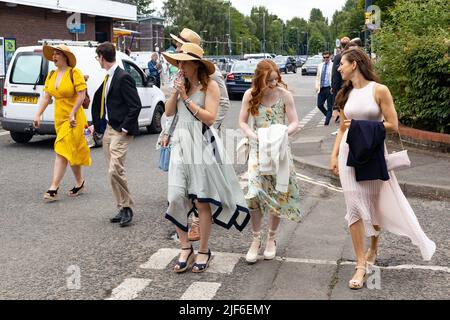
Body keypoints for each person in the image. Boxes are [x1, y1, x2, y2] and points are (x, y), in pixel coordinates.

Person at [330, 47, 436, 289]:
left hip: (372, 154)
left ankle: (373, 249)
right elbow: (344, 128)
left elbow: (392, 124)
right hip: (349, 154)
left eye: (342, 64)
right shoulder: (345, 93)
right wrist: (334, 154)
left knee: (374, 206)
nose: (339, 68)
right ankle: (360, 265)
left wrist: (360, 125)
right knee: (354, 205)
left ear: (354, 64)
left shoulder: (379, 90)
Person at [162, 42, 250, 273]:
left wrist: (187, 98)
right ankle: (185, 247)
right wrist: (175, 93)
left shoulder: (209, 86)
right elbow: (169, 112)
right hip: (181, 144)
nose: (179, 66)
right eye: (178, 61)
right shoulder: (181, 84)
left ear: (195, 64)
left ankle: (203, 250)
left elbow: (210, 118)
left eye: (182, 61)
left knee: (202, 200)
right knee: (175, 196)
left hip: (201, 144)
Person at [161, 28, 231, 242]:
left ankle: (198, 226)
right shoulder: (181, 77)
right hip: (181, 138)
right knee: (178, 191)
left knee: (201, 192)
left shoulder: (213, 77)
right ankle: (189, 227)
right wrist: (167, 131)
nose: (176, 48)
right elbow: (171, 111)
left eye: (178, 44)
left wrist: (208, 129)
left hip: (201, 137)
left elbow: (223, 105)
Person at [239, 59, 302, 264]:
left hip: (280, 150)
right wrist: (251, 134)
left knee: (277, 194)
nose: (274, 83)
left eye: (276, 79)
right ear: (260, 79)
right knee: (253, 193)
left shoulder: (285, 96)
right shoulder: (251, 95)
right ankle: (256, 239)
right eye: (269, 80)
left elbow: (294, 122)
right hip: (258, 149)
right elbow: (242, 121)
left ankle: (271, 239)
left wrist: (284, 132)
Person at [92, 42, 142, 227]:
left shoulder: (123, 77)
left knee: (115, 169)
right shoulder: (109, 77)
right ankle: (121, 207)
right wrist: (97, 126)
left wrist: (125, 128)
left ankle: (128, 208)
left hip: (120, 130)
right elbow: (103, 103)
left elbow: (135, 105)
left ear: (102, 57)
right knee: (113, 172)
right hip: (108, 130)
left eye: (98, 57)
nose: (97, 60)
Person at [33, 44, 91, 201]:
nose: (54, 56)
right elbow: (46, 97)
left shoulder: (75, 73)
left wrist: (72, 113)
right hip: (59, 118)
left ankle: (53, 188)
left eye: (57, 53)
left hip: (74, 119)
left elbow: (81, 94)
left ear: (65, 57)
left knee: (61, 150)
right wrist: (37, 114)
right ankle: (80, 182)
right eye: (53, 54)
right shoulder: (51, 75)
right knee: (70, 151)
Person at [331, 37, 350, 125]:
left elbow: (335, 78)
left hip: (342, 91)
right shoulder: (354, 56)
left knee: (344, 121)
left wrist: (335, 106)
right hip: (352, 90)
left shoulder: (338, 57)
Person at [315, 51, 334, 125]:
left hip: (329, 88)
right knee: (319, 105)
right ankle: (328, 115)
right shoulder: (320, 65)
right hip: (321, 88)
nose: (326, 59)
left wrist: (333, 87)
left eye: (327, 57)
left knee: (330, 107)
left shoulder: (332, 65)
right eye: (324, 57)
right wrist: (316, 86)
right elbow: (317, 77)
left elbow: (334, 77)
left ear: (330, 57)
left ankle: (326, 123)